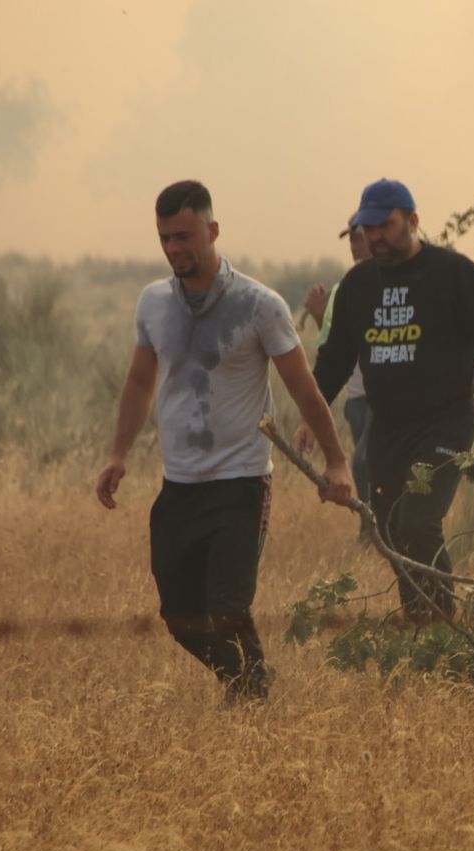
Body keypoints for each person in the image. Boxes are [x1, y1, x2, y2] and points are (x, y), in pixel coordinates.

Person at [95, 180, 354, 702]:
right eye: (165, 238)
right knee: (179, 616)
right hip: (180, 485)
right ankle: (249, 679)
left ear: (212, 231)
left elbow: (302, 387)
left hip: (241, 484)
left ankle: (251, 696)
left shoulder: (260, 305)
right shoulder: (152, 303)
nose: (174, 249)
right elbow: (140, 382)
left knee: (228, 608)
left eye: (185, 236)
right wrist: (118, 454)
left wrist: (337, 461)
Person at [308, 178, 474, 622]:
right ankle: (420, 623)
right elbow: (334, 359)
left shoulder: (454, 273)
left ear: (413, 220)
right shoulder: (359, 284)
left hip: (445, 423)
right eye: (367, 229)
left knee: (418, 522)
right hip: (386, 427)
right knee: (388, 531)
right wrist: (312, 416)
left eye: (385, 226)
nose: (375, 237)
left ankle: (443, 624)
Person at [304, 215, 374, 510]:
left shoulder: (390, 280)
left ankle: (374, 529)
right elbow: (334, 345)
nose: (354, 246)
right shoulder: (347, 286)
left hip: (384, 395)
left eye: (359, 237)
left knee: (363, 462)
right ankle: (379, 530)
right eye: (352, 239)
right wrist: (320, 316)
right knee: (371, 464)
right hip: (356, 395)